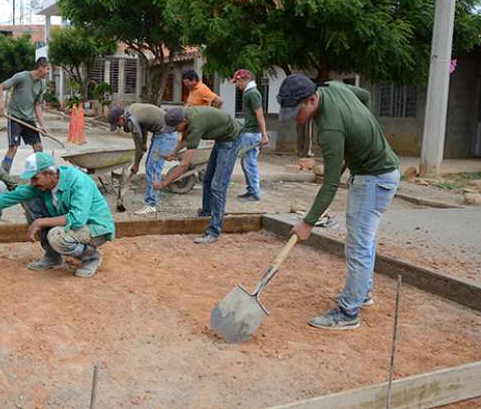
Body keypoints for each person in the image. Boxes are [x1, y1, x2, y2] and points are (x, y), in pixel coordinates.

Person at [277, 74, 400, 330]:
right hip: (378, 173)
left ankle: (348, 313)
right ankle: (361, 293)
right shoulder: (333, 87)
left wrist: (307, 222)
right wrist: (359, 129)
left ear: (312, 99)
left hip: (373, 179)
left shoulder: (330, 129)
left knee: (358, 245)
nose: (294, 118)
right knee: (364, 240)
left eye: (297, 111)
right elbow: (364, 96)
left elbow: (330, 184)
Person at [0, 152, 115, 278]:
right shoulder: (41, 185)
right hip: (70, 225)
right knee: (30, 201)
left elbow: (77, 220)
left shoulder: (79, 182)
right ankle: (53, 256)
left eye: (35, 178)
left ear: (50, 174)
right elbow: (8, 198)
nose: (33, 183)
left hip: (95, 228)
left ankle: (91, 258)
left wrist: (40, 222)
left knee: (56, 236)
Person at [154, 107, 241, 244]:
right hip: (221, 139)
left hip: (231, 140)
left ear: (183, 121)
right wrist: (173, 152)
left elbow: (184, 165)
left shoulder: (195, 125)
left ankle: (214, 231)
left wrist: (163, 183)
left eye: (176, 127)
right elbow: (184, 139)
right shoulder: (186, 118)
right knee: (207, 180)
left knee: (218, 186)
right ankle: (206, 213)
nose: (175, 130)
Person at [108, 103, 177, 215]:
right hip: (161, 133)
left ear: (121, 118)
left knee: (153, 168)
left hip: (166, 135)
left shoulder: (131, 121)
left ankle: (151, 204)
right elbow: (143, 127)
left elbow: (138, 148)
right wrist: (144, 142)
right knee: (150, 166)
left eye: (118, 124)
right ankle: (151, 201)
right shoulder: (130, 111)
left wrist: (135, 165)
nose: (120, 127)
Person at [0, 57, 50, 173]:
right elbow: (0, 87)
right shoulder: (21, 77)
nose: (48, 72)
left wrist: (42, 125)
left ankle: (38, 175)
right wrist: (1, 106)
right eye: (47, 69)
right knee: (13, 148)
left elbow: (37, 106)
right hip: (15, 117)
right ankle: (3, 175)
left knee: (39, 148)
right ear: (40, 68)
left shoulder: (42, 84)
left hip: (29, 119)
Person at [231, 69, 270, 202]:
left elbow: (259, 114)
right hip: (249, 132)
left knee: (250, 163)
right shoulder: (249, 93)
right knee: (246, 163)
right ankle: (250, 190)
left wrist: (264, 134)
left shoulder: (252, 94)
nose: (236, 85)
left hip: (252, 134)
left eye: (236, 82)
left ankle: (254, 193)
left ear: (242, 80)